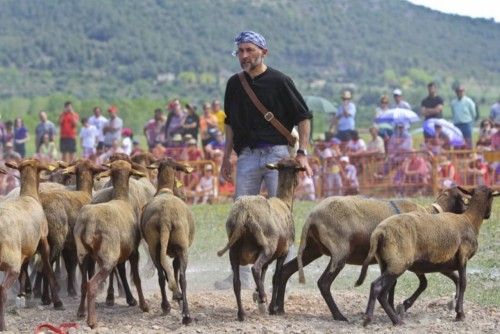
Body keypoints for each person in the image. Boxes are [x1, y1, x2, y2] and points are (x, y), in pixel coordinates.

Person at [216, 30, 312, 290]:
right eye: (240, 51)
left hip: (278, 154)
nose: (244, 56)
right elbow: (230, 123)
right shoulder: (234, 84)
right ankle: (243, 276)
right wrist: (226, 157)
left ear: (263, 52)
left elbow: (303, 117)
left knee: (282, 214)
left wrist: (302, 153)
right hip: (247, 155)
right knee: (240, 214)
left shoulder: (281, 81)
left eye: (249, 50)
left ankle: (285, 275)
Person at [451, 84, 476, 148]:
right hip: (457, 124)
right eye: (458, 91)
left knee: (468, 141)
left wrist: (471, 122)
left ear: (464, 92)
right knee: (456, 142)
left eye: (462, 91)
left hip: (466, 124)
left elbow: (473, 113)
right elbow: (453, 113)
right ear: (456, 92)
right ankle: (457, 157)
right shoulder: (453, 102)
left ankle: (469, 156)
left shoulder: (469, 101)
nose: (460, 92)